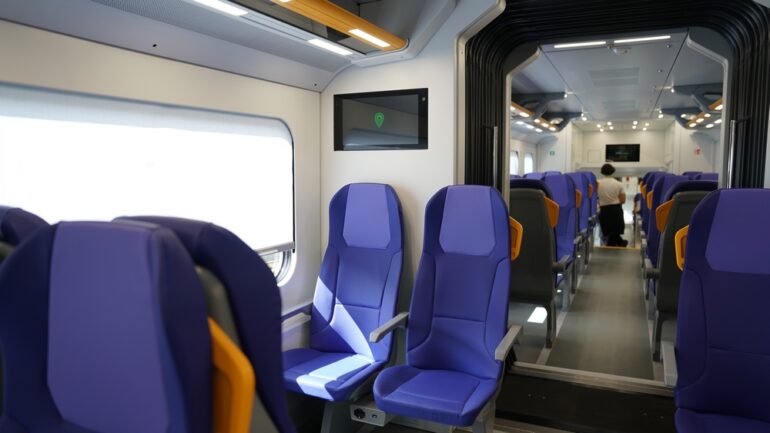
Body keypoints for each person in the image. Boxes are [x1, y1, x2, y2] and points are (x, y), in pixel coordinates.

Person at [597, 163, 628, 247]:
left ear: (602, 172)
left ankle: (620, 243)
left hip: (604, 210)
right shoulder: (619, 184)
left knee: (609, 233)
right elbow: (623, 200)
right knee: (614, 232)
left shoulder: (597, 183)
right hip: (616, 209)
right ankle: (621, 243)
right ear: (612, 171)